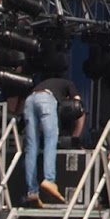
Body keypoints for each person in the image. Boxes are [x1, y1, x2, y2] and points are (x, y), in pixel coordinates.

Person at [23, 76, 83, 206]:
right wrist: (76, 136)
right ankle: (49, 179)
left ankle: (32, 192)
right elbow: (78, 107)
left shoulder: (49, 84)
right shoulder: (69, 83)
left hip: (30, 100)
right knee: (51, 139)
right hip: (46, 99)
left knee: (31, 148)